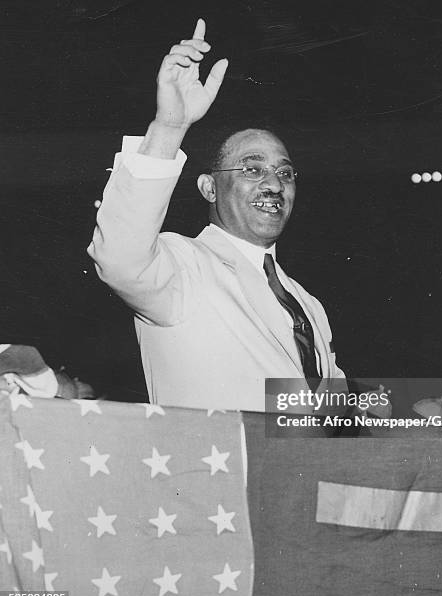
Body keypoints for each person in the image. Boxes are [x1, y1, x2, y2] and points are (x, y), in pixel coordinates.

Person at [88, 19, 345, 412]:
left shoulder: (306, 302)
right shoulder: (182, 267)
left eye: (285, 172)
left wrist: (396, 411)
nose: (274, 184)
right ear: (209, 187)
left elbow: (331, 410)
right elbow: (119, 258)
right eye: (252, 169)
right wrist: (170, 127)